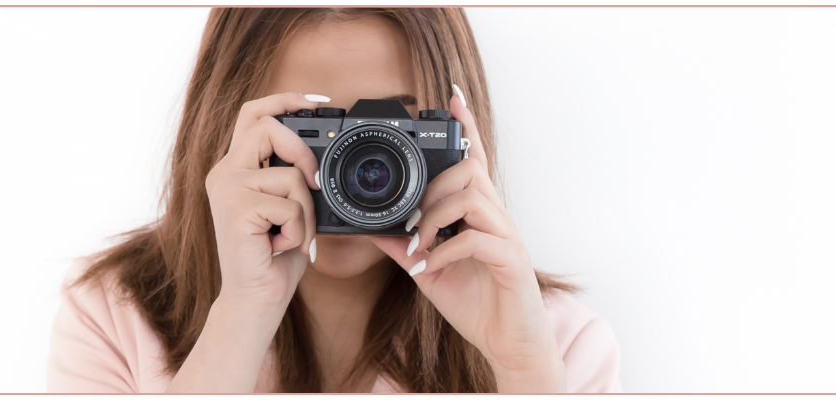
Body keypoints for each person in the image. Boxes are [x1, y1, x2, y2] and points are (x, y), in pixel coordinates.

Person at [47, 7, 622, 393]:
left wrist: (522, 368)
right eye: (314, 126)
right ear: (228, 122)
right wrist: (242, 315)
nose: (354, 165)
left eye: (392, 127)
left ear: (453, 135)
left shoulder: (559, 342)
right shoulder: (113, 318)